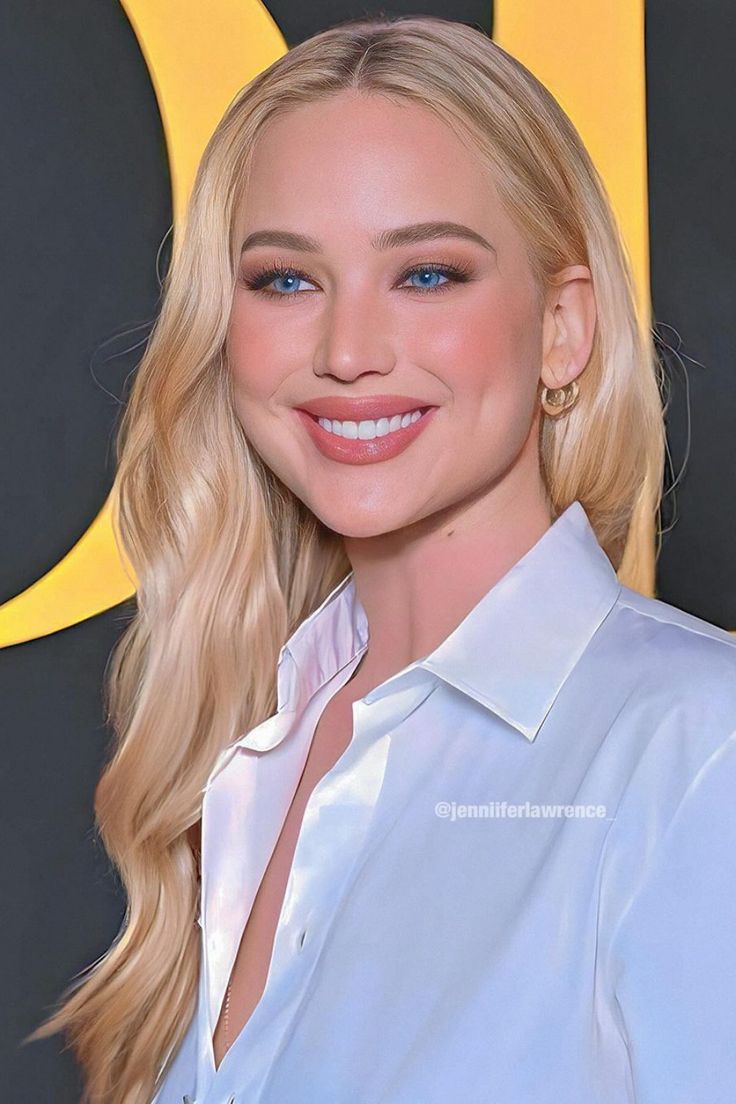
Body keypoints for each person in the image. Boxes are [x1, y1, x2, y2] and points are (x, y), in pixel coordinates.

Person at [28, 14, 736, 1104]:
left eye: (427, 275)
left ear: (562, 327)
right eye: (285, 282)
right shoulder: (252, 753)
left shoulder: (698, 754)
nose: (348, 353)